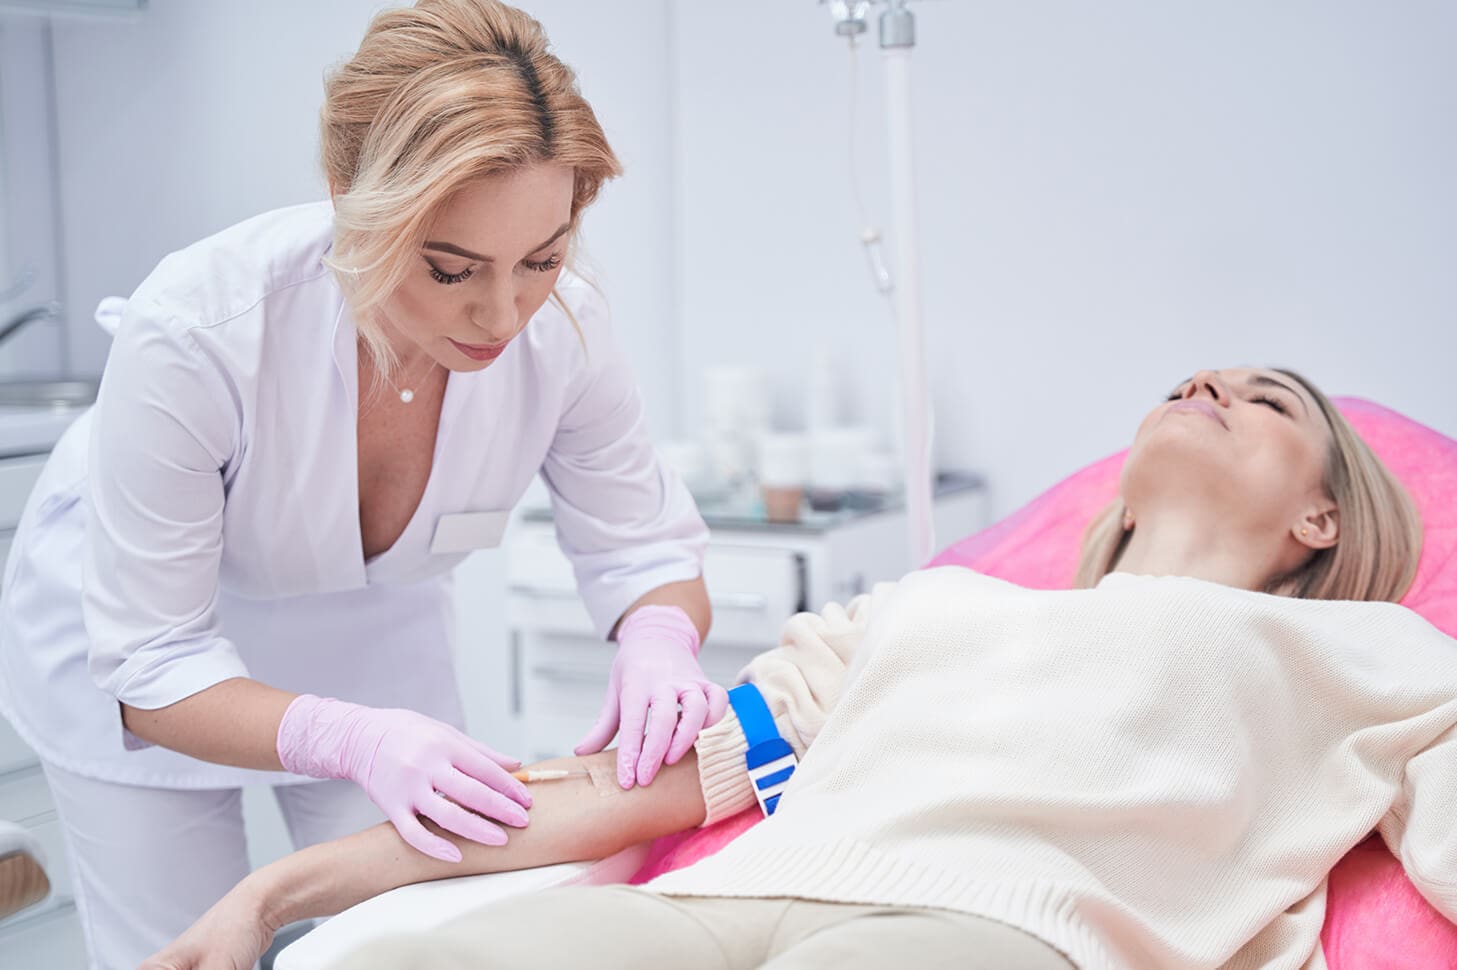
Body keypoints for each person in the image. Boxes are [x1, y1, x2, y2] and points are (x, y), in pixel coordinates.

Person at [142, 366, 1452, 970]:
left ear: (1321, 520)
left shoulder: (1369, 652)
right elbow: (605, 791)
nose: (1210, 382)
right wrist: (268, 894)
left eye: (1266, 398)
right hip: (733, 904)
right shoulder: (916, 612)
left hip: (1005, 935)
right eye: (1195, 375)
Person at [0, 2, 727, 967]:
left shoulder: (565, 331)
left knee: (421, 935)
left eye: (541, 260)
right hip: (153, 646)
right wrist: (353, 740)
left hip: (370, 626)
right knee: (179, 945)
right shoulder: (201, 328)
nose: (503, 311)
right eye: (449, 266)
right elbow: (152, 665)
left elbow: (644, 547)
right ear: (349, 191)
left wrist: (660, 637)